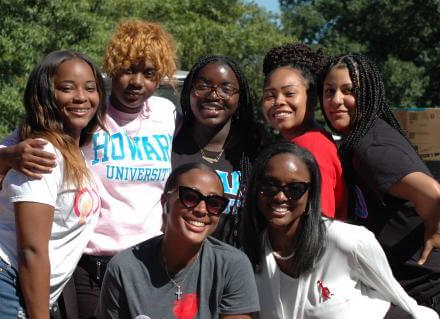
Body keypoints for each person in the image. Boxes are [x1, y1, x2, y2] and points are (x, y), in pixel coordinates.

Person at [0, 20, 177, 318]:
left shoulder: (166, 114)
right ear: (113, 68)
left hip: (147, 263)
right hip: (89, 265)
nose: (137, 81)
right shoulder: (88, 113)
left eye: (149, 73)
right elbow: (5, 152)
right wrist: (10, 155)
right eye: (128, 69)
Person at [0, 50, 106, 318]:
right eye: (67, 88)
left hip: (7, 281)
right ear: (46, 95)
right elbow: (32, 250)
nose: (81, 97)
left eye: (90, 88)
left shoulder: (73, 150)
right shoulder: (42, 154)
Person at [240, 142, 438, 319]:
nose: (280, 197)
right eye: (269, 186)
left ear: (311, 195)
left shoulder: (346, 240)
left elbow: (400, 299)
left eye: (295, 189)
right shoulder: (249, 255)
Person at [319, 53, 440, 312]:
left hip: (429, 288)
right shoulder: (360, 139)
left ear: (368, 94)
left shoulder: (371, 148)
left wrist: (436, 230)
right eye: (329, 91)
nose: (336, 100)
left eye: (348, 91)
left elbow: (434, 192)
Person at [96, 162, 260, 319]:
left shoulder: (232, 266)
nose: (201, 210)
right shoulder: (124, 269)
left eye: (214, 203)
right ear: (165, 202)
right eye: (189, 197)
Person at [172, 55, 263, 247]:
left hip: (234, 268)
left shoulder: (254, 151)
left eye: (226, 89)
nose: (213, 95)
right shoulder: (170, 142)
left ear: (240, 98)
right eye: (203, 86)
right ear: (189, 91)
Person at [261, 43, 347, 219]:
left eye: (289, 93)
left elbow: (321, 222)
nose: (278, 101)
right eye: (270, 95)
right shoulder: (295, 143)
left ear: (312, 98)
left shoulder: (312, 147)